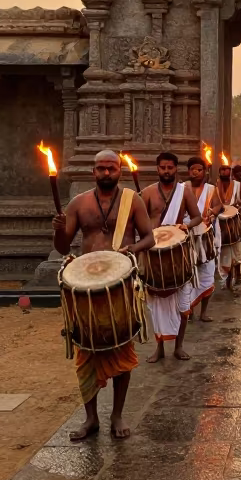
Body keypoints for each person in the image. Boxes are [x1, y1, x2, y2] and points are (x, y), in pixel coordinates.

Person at [52, 150, 155, 440]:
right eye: (100, 168)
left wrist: (133, 249)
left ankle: (118, 414)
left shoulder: (132, 201)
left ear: (119, 171)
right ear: (93, 172)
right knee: (86, 353)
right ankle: (91, 418)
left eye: (110, 168)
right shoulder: (79, 203)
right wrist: (58, 232)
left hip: (120, 284)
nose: (105, 173)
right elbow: (63, 247)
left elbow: (149, 236)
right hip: (85, 287)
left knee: (122, 348)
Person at [140, 151, 203, 362]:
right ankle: (159, 348)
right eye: (162, 168)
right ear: (157, 169)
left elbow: (197, 217)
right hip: (154, 255)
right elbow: (139, 222)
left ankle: (179, 346)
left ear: (176, 168)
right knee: (156, 305)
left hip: (179, 254)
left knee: (183, 305)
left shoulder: (184, 192)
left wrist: (186, 225)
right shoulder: (147, 193)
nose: (166, 171)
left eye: (170, 167)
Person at [186, 156, 222, 321]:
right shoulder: (181, 188)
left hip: (205, 235)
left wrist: (213, 212)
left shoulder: (210, 189)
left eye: (199, 169)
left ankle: (204, 312)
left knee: (207, 275)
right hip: (186, 236)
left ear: (205, 172)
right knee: (188, 275)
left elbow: (219, 205)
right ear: (188, 171)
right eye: (193, 169)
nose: (196, 172)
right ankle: (189, 309)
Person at [215, 160, 241, 290]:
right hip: (221, 225)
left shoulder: (238, 186)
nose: (224, 171)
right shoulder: (215, 186)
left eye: (227, 169)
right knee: (223, 251)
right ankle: (228, 277)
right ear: (219, 172)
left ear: (230, 171)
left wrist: (237, 208)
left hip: (236, 222)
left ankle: (235, 275)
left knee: (236, 251)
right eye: (222, 169)